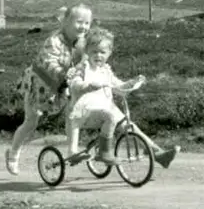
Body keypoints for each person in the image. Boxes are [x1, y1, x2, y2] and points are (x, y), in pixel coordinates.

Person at [64, 26, 178, 169]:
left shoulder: (105, 70)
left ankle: (157, 153)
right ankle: (104, 152)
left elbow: (118, 86)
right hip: (84, 112)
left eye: (102, 52)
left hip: (104, 110)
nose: (98, 55)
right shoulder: (83, 68)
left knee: (130, 126)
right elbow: (74, 83)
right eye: (94, 52)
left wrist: (132, 82)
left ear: (109, 53)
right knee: (110, 116)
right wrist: (88, 85)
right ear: (87, 51)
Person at [4, 3, 92, 176]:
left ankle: (72, 150)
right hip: (40, 84)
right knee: (31, 121)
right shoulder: (54, 41)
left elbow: (87, 58)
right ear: (66, 21)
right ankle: (13, 154)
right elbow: (48, 61)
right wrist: (64, 73)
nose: (83, 26)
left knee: (72, 112)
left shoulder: (82, 41)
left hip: (61, 84)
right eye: (79, 22)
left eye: (87, 23)